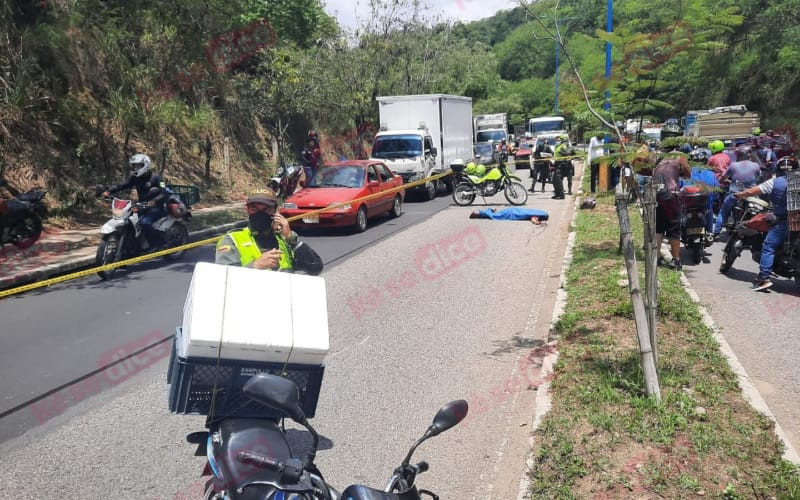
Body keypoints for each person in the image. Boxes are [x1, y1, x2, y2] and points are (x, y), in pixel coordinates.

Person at [215, 188, 323, 275]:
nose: (260, 214)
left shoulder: (284, 240)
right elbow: (223, 280)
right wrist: (255, 266)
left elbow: (315, 267)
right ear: (247, 210)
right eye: (254, 209)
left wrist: (291, 238)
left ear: (276, 211)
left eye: (266, 209)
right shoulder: (232, 240)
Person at [734, 157, 795, 291]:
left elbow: (752, 191)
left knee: (768, 246)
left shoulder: (775, 182)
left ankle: (763, 279)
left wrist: (740, 194)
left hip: (783, 221)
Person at [102, 154, 167, 249]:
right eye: (134, 166)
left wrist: (154, 201)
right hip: (141, 205)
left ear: (146, 164)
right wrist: (109, 191)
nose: (135, 168)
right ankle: (133, 244)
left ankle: (155, 244)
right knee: (128, 220)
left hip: (157, 207)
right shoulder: (135, 178)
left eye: (138, 166)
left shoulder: (156, 178)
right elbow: (122, 185)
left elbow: (164, 193)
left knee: (145, 222)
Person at [712, 146, 762, 239]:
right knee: (759, 211)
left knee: (723, 212)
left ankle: (716, 233)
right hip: (751, 194)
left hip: (735, 194)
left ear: (739, 155)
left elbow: (723, 177)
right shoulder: (755, 165)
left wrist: (724, 180)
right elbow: (758, 177)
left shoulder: (733, 165)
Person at [652, 154, 691, 270]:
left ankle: (656, 258)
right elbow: (687, 174)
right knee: (674, 227)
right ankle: (676, 260)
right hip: (671, 195)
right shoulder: (680, 157)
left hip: (656, 194)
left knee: (658, 227)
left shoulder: (658, 159)